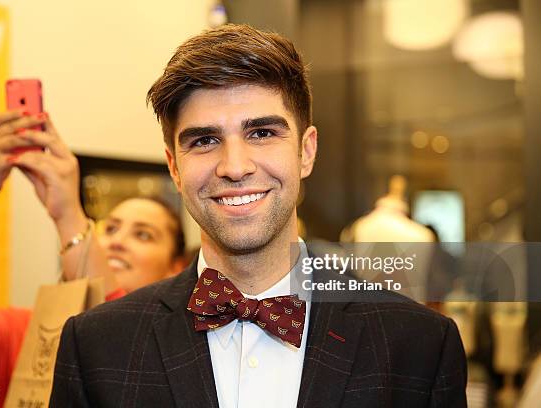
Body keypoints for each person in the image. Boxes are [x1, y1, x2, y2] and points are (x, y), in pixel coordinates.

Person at [49, 24, 467, 407]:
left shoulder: (419, 346)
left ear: (306, 151)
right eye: (204, 140)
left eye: (262, 133)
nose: (235, 166)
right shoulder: (95, 346)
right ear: (174, 167)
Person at [0, 111, 186, 407]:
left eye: (143, 235)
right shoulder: (27, 334)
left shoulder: (177, 350)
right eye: (111, 227)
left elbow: (115, 344)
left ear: (176, 266)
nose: (117, 241)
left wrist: (68, 215)